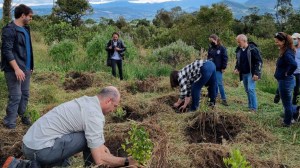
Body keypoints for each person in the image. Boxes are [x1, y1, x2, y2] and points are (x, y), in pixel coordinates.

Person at [3, 86, 139, 167]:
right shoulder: (94, 115)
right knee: (86, 140)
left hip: (30, 144)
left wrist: (107, 153)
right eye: (115, 106)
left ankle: (22, 165)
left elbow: (99, 144)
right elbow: (99, 158)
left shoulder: (87, 102)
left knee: (87, 142)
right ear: (108, 101)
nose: (114, 110)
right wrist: (127, 161)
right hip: (39, 150)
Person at [1, 4, 34, 129]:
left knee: (25, 94)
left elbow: (28, 49)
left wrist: (30, 66)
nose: (31, 19)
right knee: (15, 96)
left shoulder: (26, 29)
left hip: (26, 69)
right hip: (13, 70)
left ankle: (23, 115)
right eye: (30, 16)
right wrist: (16, 69)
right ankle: (10, 122)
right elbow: (7, 51)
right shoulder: (9, 30)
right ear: (22, 15)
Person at [274, 32, 300, 127]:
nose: (276, 43)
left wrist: (288, 73)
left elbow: (294, 64)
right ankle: (290, 117)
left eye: (277, 42)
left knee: (287, 104)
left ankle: (287, 122)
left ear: (284, 41)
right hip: (285, 80)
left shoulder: (287, 53)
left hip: (286, 81)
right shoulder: (286, 50)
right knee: (287, 102)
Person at [234, 34, 262, 112]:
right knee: (247, 90)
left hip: (251, 73)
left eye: (239, 42)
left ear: (244, 41)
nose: (238, 44)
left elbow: (259, 61)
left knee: (251, 89)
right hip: (243, 73)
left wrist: (256, 73)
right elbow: (238, 61)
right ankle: (250, 106)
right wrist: (236, 68)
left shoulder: (253, 49)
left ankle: (254, 108)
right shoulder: (239, 50)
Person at [207, 34, 229, 106]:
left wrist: (223, 67)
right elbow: (208, 58)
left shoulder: (222, 48)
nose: (210, 42)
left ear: (215, 39)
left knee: (219, 84)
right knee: (213, 84)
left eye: (211, 40)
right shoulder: (210, 49)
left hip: (218, 69)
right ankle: (214, 97)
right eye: (210, 40)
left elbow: (225, 58)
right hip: (211, 69)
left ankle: (224, 99)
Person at [292, 33, 300, 105]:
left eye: (295, 39)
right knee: (289, 90)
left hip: (299, 73)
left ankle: (294, 107)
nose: (293, 40)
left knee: (296, 91)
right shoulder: (292, 48)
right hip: (291, 72)